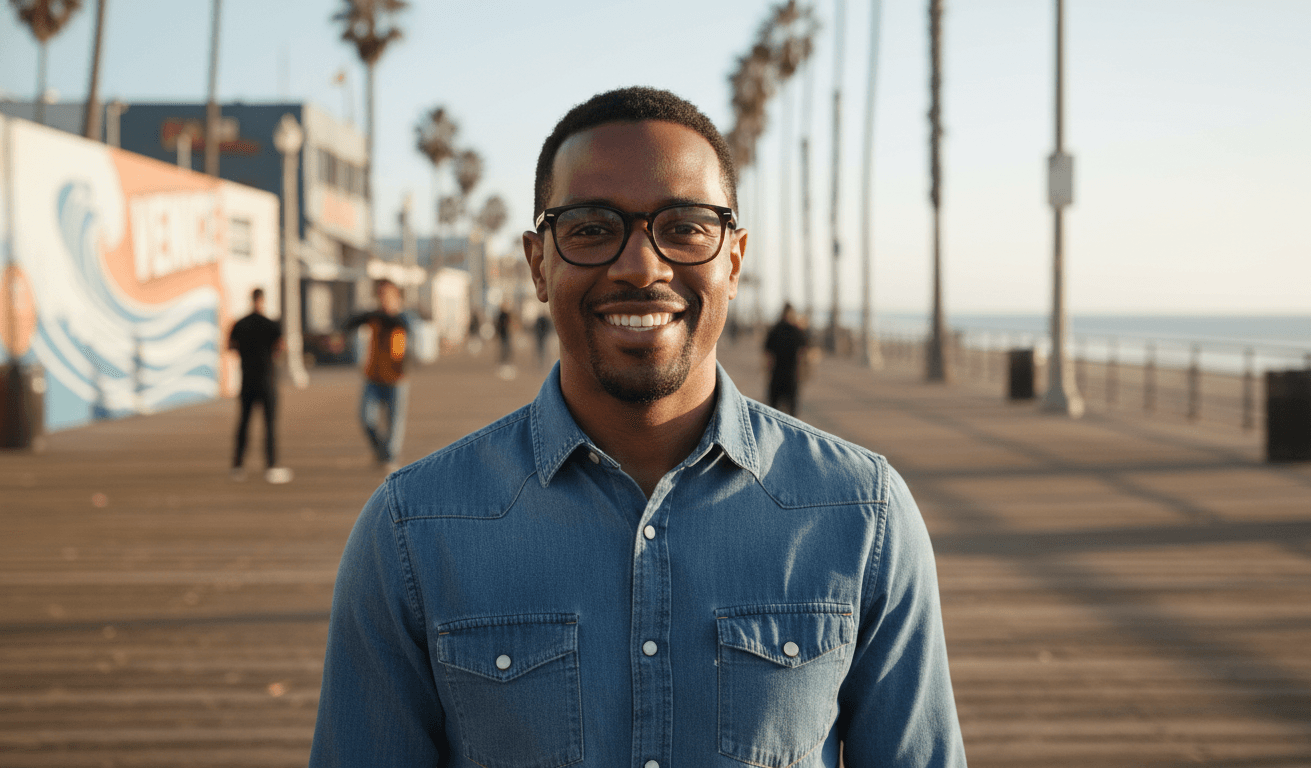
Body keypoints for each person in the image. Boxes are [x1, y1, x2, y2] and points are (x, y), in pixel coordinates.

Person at [312, 87, 965, 767]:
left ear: (733, 261)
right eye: (592, 229)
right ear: (539, 264)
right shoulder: (415, 530)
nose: (641, 266)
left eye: (685, 228)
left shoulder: (862, 515)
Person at [344, 279, 412, 473]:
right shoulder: (373, 316)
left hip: (397, 378)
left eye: (387, 295)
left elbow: (405, 326)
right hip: (373, 376)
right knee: (366, 418)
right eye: (380, 295)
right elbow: (351, 322)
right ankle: (382, 451)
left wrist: (387, 313)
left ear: (397, 296)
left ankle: (390, 457)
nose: (383, 299)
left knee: (395, 422)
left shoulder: (403, 317)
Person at [227, 288, 292, 484]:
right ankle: (271, 466)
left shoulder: (240, 323)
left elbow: (230, 346)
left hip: (247, 380)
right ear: (262, 300)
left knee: (244, 423)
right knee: (269, 425)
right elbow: (281, 348)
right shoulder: (271, 324)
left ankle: (237, 466)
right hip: (267, 380)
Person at [764, 301, 810, 416]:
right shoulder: (797, 331)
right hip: (792, 376)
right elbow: (805, 354)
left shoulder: (775, 330)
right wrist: (805, 373)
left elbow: (768, 356)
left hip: (776, 376)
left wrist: (767, 372)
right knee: (792, 415)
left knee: (773, 414)